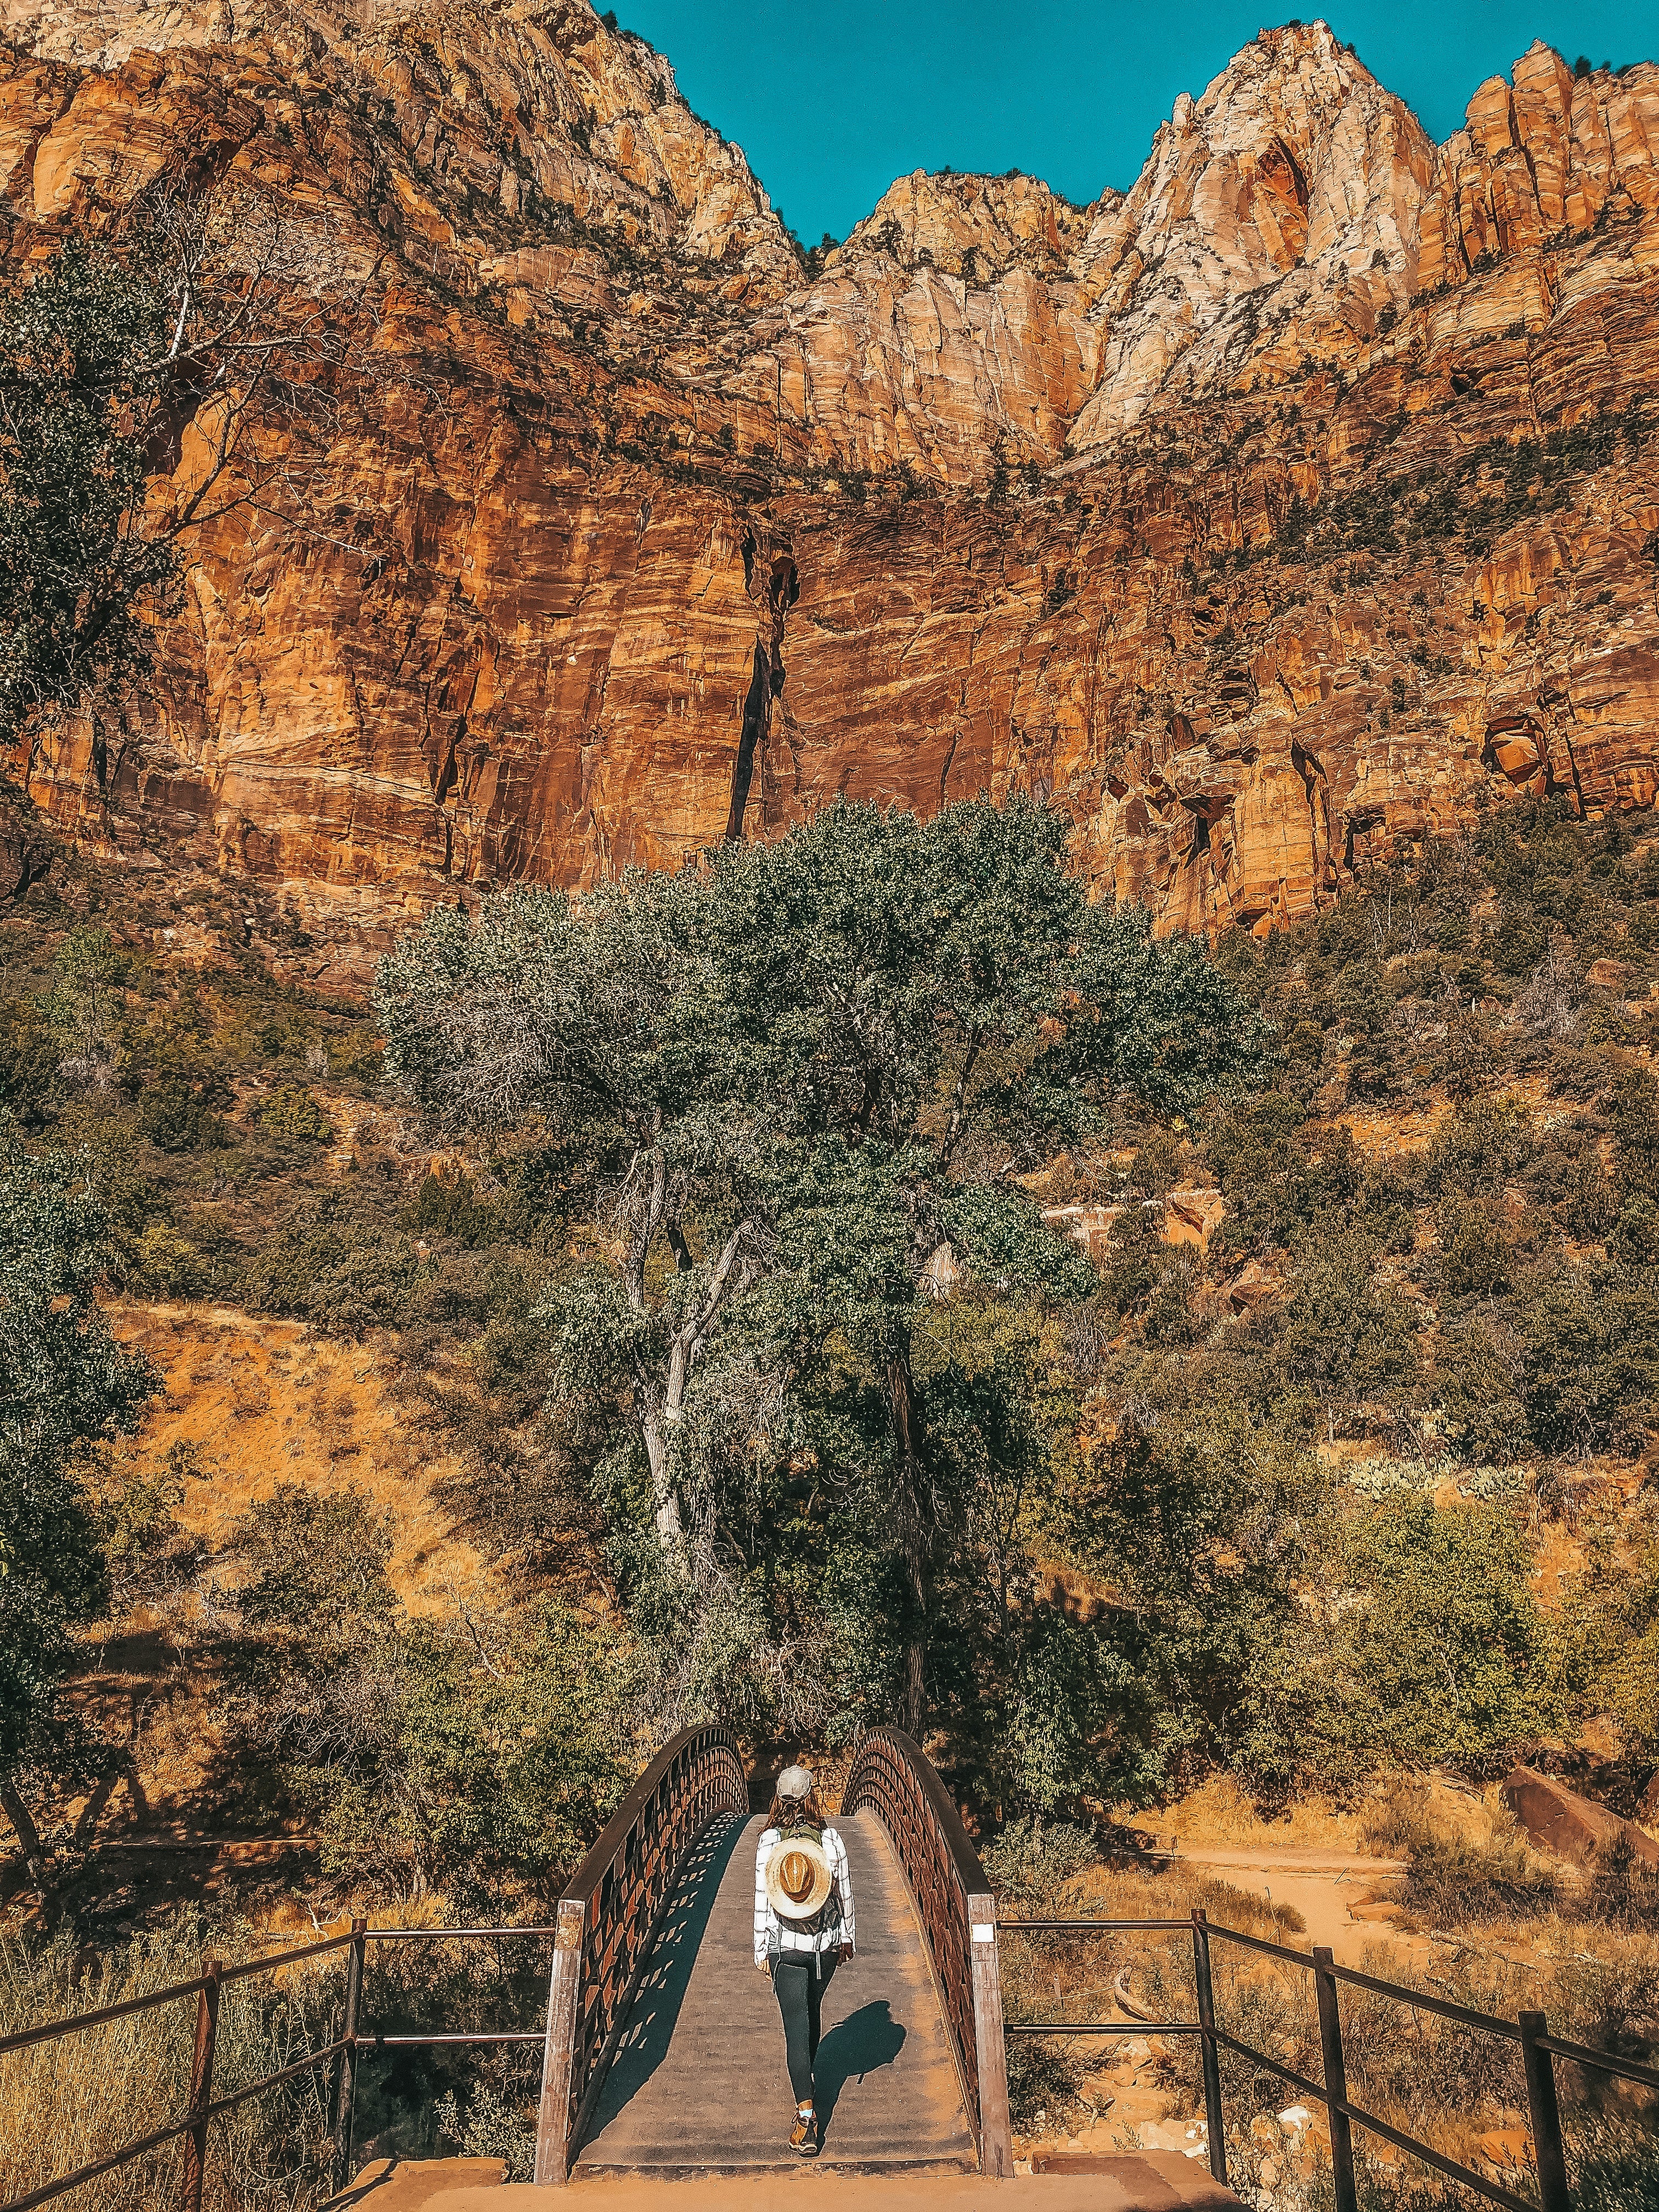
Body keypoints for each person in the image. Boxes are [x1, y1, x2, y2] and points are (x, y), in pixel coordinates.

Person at [753, 1763, 855, 2156]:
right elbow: (845, 1893)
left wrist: (761, 1949)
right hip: (824, 1948)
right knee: (813, 2012)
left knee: (796, 2027)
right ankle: (807, 2083)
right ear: (813, 1797)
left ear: (778, 1799)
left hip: (784, 1947)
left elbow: (763, 1901)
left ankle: (807, 2117)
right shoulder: (831, 1842)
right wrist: (848, 1937)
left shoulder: (769, 1843)